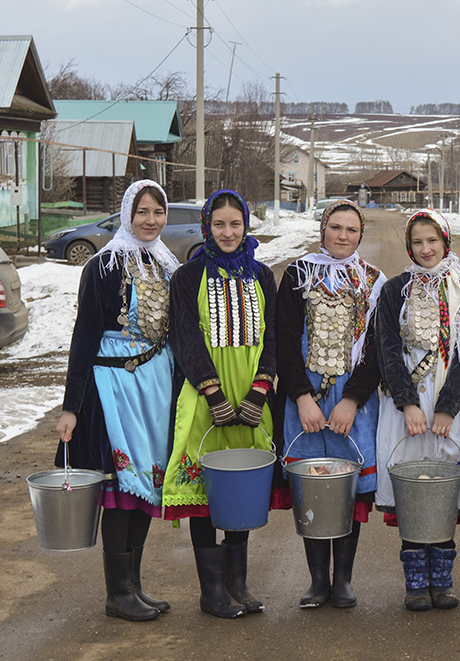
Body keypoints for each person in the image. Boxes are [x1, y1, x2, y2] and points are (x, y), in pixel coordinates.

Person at [55, 179, 179, 622]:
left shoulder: (167, 264)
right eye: (142, 212)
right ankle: (117, 593)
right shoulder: (103, 266)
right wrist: (72, 405)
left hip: (156, 386)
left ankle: (136, 586)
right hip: (114, 387)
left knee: (148, 484)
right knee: (120, 488)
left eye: (158, 213)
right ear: (127, 213)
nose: (150, 221)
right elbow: (84, 335)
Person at [163, 190, 279, 619]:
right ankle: (211, 592)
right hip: (206, 394)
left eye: (235, 224)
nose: (228, 233)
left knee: (240, 490)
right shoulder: (188, 277)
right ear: (206, 226)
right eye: (219, 224)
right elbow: (186, 339)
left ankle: (238, 585)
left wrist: (259, 391)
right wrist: (212, 393)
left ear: (246, 225)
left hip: (251, 396)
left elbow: (272, 338)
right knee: (205, 492)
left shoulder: (263, 276)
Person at [374, 209, 460, 612]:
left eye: (432, 241)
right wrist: (407, 403)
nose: (425, 249)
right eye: (418, 242)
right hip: (405, 408)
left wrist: (447, 408)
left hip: (450, 408)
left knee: (443, 487)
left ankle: (443, 578)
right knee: (412, 487)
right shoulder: (393, 292)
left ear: (445, 241)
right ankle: (415, 581)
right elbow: (387, 352)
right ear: (409, 246)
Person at [276, 200, 385, 609]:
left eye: (351, 230)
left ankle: (344, 580)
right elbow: (284, 342)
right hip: (305, 403)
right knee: (313, 486)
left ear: (361, 235)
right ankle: (317, 580)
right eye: (335, 227)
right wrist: (301, 397)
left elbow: (376, 350)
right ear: (322, 229)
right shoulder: (297, 275)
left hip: (351, 406)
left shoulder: (373, 281)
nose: (342, 236)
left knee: (349, 488)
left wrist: (353, 400)